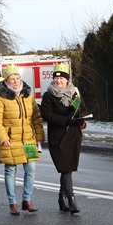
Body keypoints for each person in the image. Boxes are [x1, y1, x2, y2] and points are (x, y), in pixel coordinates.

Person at [0, 64, 44, 215]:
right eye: (12, 78)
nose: (15, 81)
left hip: (28, 138)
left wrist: (39, 135)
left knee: (31, 169)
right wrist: (3, 137)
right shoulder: (0, 98)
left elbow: (36, 117)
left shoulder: (28, 95)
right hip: (11, 139)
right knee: (10, 171)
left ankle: (27, 200)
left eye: (17, 78)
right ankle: (12, 202)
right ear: (6, 80)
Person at [40, 64, 86, 214]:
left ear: (67, 80)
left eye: (61, 78)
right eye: (56, 78)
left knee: (68, 168)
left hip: (73, 135)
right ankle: (71, 199)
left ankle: (61, 198)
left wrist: (81, 119)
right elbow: (46, 114)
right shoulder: (48, 95)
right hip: (58, 136)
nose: (58, 81)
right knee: (65, 168)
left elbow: (80, 110)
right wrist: (65, 120)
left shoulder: (74, 93)